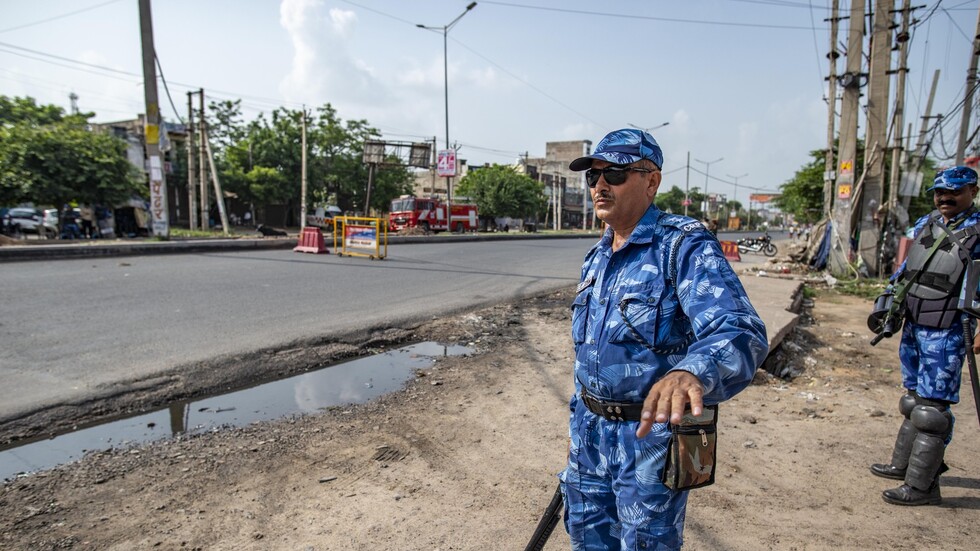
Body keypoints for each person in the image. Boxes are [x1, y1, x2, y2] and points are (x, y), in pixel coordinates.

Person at [560, 128, 769, 549]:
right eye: (593, 176)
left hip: (650, 438)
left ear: (651, 181)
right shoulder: (597, 255)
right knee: (586, 540)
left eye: (615, 174)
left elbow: (739, 329)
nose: (600, 185)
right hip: (589, 431)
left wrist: (690, 371)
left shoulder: (682, 245)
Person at [870, 165, 980, 506]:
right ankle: (902, 466)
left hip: (948, 328)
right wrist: (888, 305)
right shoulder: (927, 224)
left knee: (933, 412)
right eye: (939, 193)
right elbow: (906, 270)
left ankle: (923, 487)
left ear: (973, 192)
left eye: (954, 193)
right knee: (913, 400)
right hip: (916, 322)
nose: (945, 198)